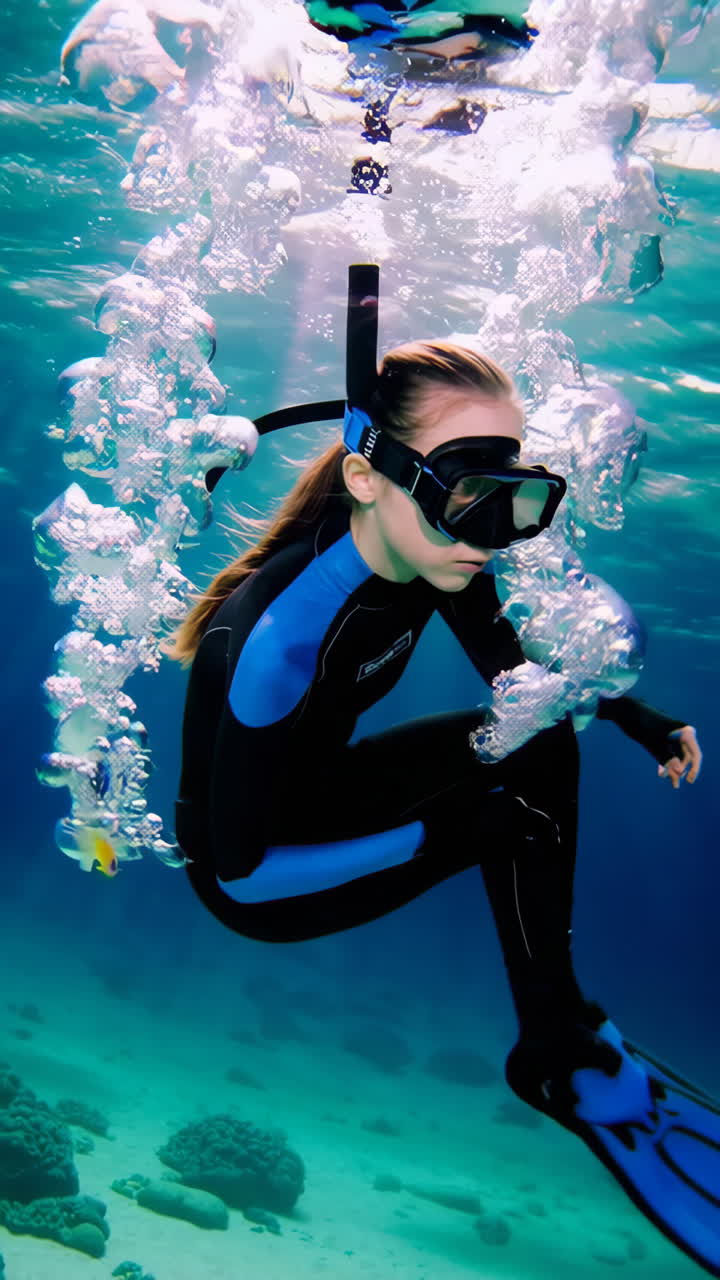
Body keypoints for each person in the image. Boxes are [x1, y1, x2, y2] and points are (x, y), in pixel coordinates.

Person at [170, 276, 717, 1277]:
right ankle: (558, 1052)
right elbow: (238, 869)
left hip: (321, 802)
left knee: (541, 741)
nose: (493, 528)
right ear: (375, 475)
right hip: (257, 874)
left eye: (520, 496)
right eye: (471, 490)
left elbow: (522, 678)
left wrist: (636, 717)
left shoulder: (442, 550)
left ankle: (554, 1038)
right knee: (505, 798)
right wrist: (453, 834)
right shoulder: (278, 637)